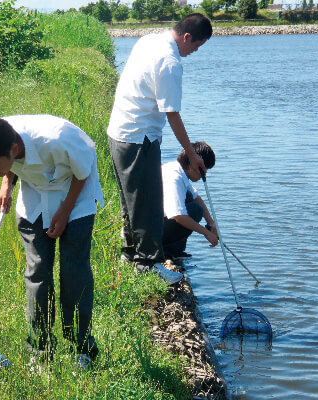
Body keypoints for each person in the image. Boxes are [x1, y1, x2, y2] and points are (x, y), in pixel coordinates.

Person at [0, 114, 104, 369]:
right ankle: (40, 349)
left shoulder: (57, 137)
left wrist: (64, 212)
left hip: (75, 195)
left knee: (74, 273)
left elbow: (83, 171)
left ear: (14, 149)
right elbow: (9, 167)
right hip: (34, 200)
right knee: (37, 272)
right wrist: (6, 183)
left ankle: (81, 349)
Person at [107, 13, 212, 285]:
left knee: (130, 199)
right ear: (186, 37)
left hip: (119, 130)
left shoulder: (149, 40)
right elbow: (172, 113)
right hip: (139, 136)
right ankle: (149, 265)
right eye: (196, 46)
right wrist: (191, 154)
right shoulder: (169, 61)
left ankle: (130, 255)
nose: (193, 52)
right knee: (148, 203)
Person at [162, 141, 218, 262]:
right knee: (195, 210)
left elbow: (197, 197)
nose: (205, 174)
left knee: (193, 202)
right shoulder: (174, 178)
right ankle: (167, 251)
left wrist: (211, 223)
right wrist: (206, 233)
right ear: (191, 164)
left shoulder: (178, 170)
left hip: (155, 223)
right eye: (203, 169)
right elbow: (178, 216)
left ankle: (173, 251)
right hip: (150, 231)